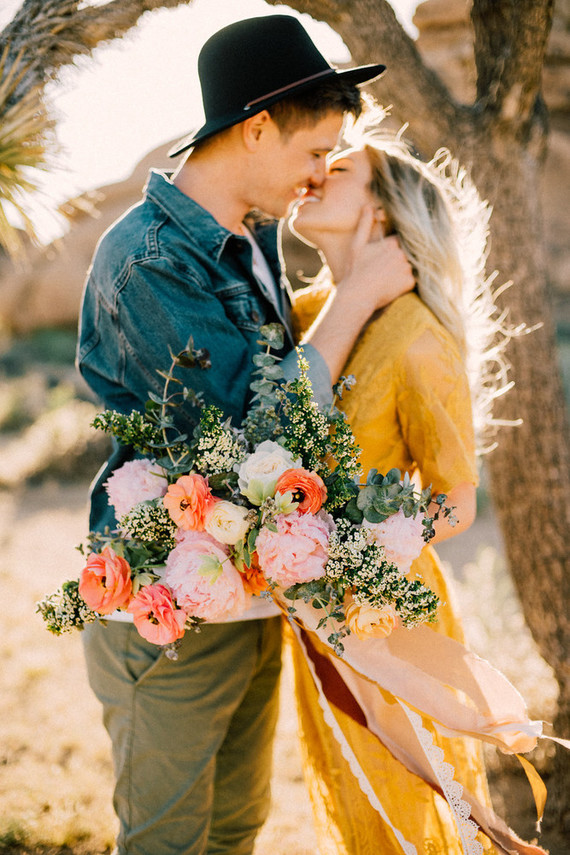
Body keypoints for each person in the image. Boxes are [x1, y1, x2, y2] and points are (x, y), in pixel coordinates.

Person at [76, 15, 414, 855]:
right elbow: (244, 442)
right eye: (311, 155)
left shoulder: (252, 229)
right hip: (169, 611)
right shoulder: (151, 261)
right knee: (167, 842)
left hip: (249, 592)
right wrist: (357, 296)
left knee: (234, 830)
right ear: (257, 126)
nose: (317, 176)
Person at [288, 124, 548, 855]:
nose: (314, 175)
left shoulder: (418, 335)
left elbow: (456, 502)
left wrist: (359, 558)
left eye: (338, 168)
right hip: (310, 609)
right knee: (351, 800)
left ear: (383, 209)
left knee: (408, 806)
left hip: (386, 607)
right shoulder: (308, 315)